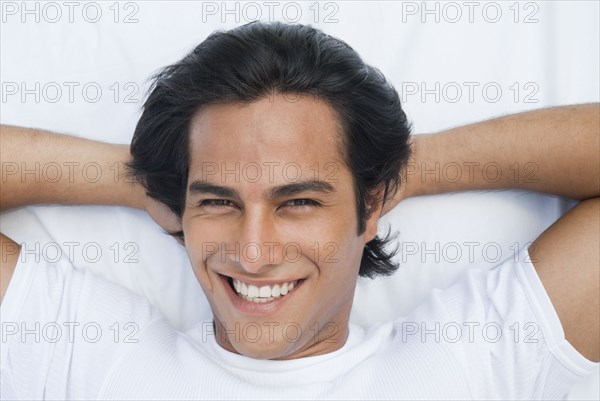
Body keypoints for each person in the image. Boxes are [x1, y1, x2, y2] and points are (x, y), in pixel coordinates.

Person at [1, 21, 598, 400]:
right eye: (219, 203)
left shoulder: (471, 363)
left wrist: (396, 174)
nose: (254, 253)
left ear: (370, 210)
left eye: (300, 202)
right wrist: (153, 182)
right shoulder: (93, 354)